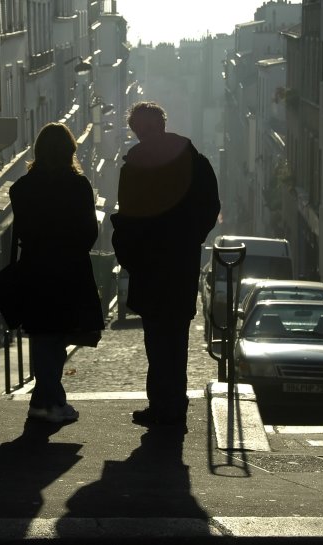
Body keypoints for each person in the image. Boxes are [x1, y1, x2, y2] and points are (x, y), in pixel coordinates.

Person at [110, 101, 221, 426]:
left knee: (157, 336)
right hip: (181, 261)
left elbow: (127, 218)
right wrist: (191, 238)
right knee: (175, 336)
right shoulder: (193, 159)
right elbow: (210, 204)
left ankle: (163, 404)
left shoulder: (135, 166)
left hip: (149, 262)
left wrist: (130, 256)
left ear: (139, 130)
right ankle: (174, 404)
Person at [9, 122, 104, 424]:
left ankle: (43, 400)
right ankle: (52, 403)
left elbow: (24, 230)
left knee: (42, 334)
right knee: (56, 335)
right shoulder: (78, 186)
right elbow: (90, 232)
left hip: (35, 268)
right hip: (68, 269)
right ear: (69, 152)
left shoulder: (21, 189)